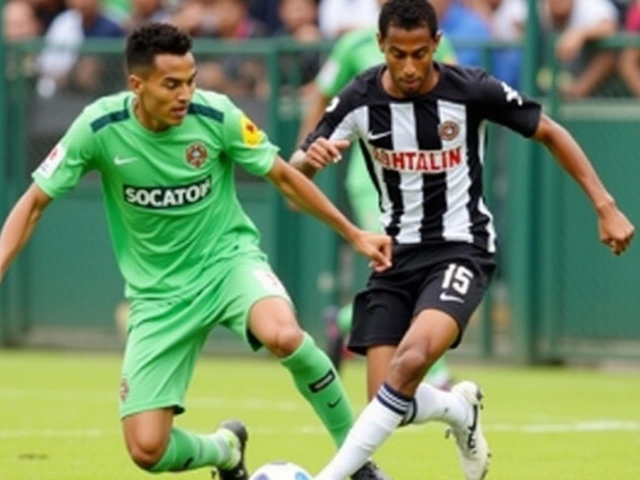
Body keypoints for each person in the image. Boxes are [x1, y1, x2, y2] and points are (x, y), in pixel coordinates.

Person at [0, 22, 394, 480]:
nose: (185, 93)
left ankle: (358, 461)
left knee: (284, 335)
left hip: (229, 264)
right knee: (147, 450)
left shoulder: (217, 115)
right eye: (171, 84)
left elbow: (285, 176)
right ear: (137, 85)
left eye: (190, 81)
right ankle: (225, 450)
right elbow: (32, 204)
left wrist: (354, 233)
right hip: (159, 297)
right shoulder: (99, 127)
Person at [290, 1, 635, 479]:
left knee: (409, 364)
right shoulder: (358, 97)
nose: (409, 67)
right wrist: (310, 160)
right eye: (397, 54)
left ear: (435, 45)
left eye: (418, 53)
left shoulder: (470, 89)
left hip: (461, 250)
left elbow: (550, 131)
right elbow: (295, 169)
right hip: (393, 256)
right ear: (380, 47)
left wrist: (605, 205)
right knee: (386, 402)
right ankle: (459, 410)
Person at [298, 0, 456, 391]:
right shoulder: (353, 45)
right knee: (397, 263)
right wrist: (302, 162)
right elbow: (321, 95)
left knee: (425, 267)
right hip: (373, 182)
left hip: (425, 177)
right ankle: (435, 375)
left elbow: (454, 93)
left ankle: (347, 322)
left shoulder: (436, 43)